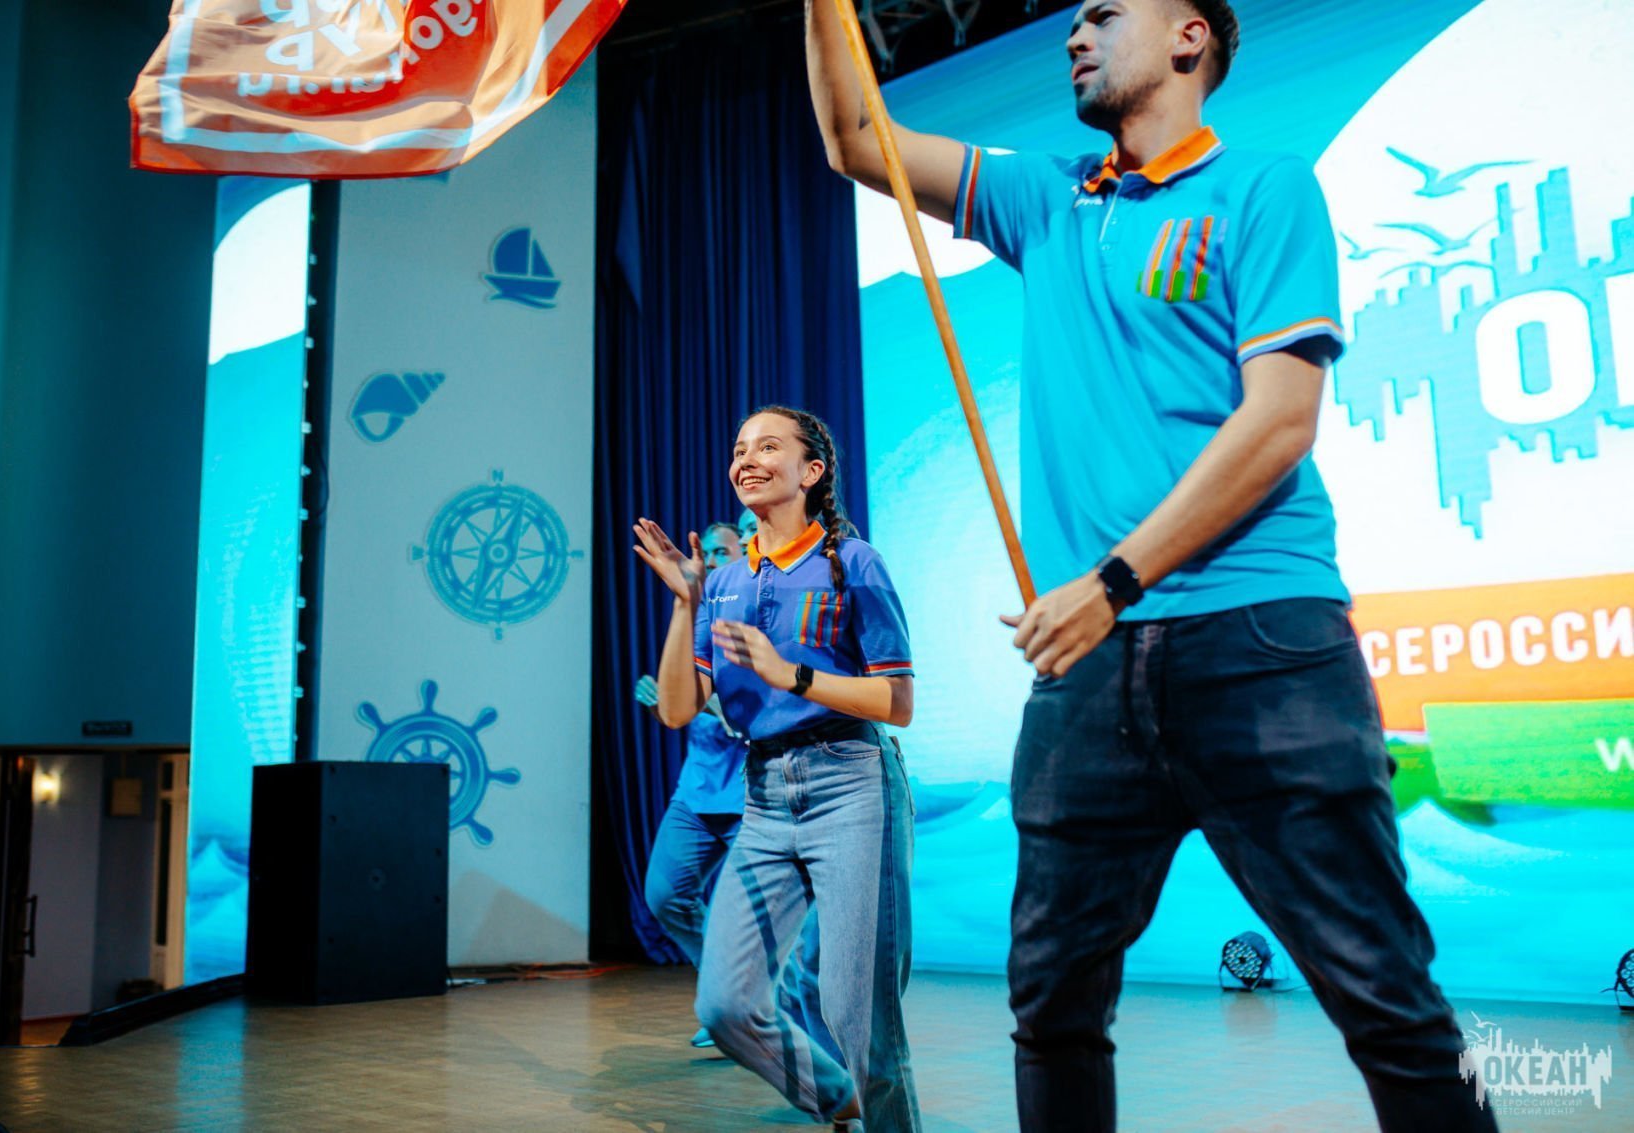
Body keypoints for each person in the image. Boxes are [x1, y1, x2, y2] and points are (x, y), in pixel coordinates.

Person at [804, 2, 1496, 1131]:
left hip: (1259, 642)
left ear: (1188, 37)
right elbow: (851, 138)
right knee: (1051, 1002)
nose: (1073, 35)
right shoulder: (1044, 199)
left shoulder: (1263, 190)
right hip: (1089, 672)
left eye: (1103, 14)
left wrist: (1112, 579)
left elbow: (1279, 421)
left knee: (1384, 996)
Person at [633, 406, 921, 1131]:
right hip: (763, 794)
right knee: (725, 1006)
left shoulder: (854, 562)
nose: (747, 459)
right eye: (740, 449)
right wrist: (685, 603)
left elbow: (897, 701)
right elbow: (677, 707)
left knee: (858, 1015)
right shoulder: (723, 580)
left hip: (851, 783)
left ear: (811, 471)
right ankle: (837, 1097)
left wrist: (792, 675)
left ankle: (876, 1110)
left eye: (768, 446)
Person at [637, 521, 833, 1054]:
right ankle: (729, 995)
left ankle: (756, 1010)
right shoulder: (699, 613)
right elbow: (682, 704)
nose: (714, 560)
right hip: (698, 790)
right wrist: (662, 702)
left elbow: (753, 710)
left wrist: (703, 701)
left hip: (756, 791)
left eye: (726, 550)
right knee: (664, 894)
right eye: (710, 552)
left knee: (760, 921)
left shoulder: (764, 611)